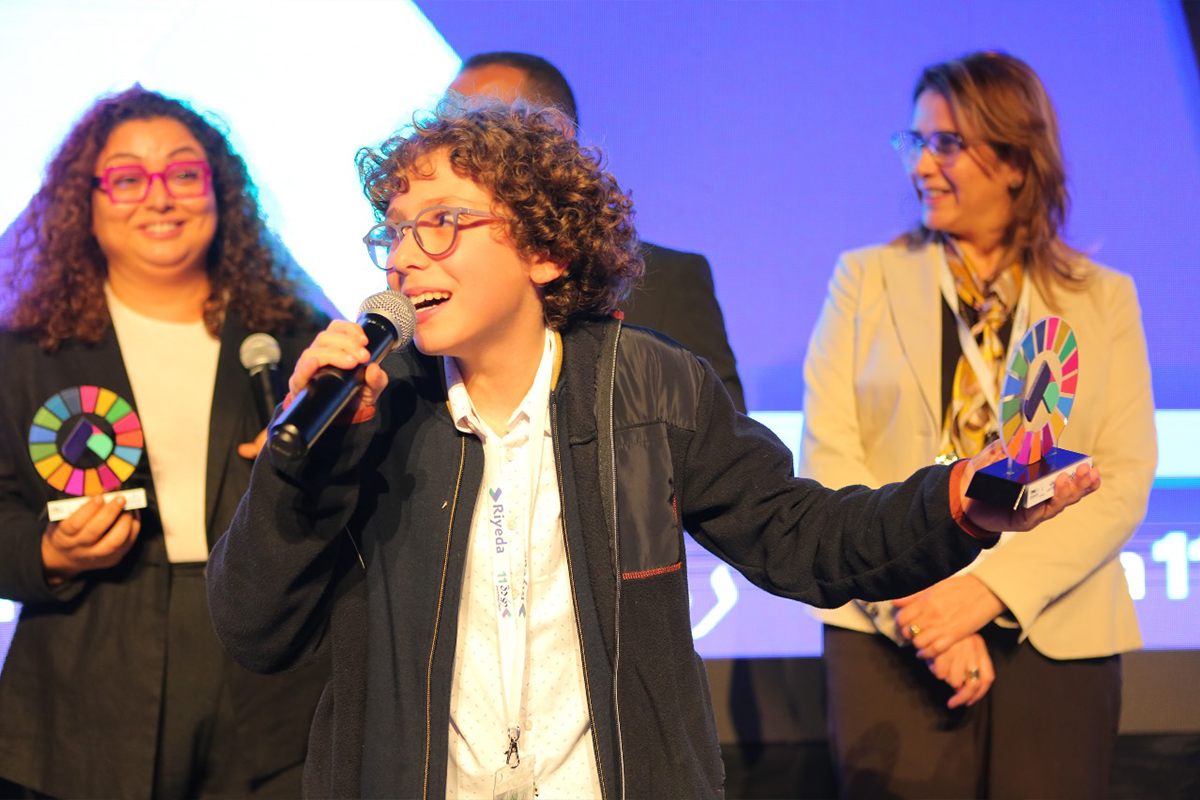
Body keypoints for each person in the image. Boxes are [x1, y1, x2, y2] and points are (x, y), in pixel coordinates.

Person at [205, 95, 1098, 799]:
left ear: (546, 251)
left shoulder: (652, 386)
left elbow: (804, 539)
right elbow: (254, 629)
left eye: (441, 222)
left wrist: (954, 502)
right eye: (394, 230)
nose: (404, 257)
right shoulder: (371, 410)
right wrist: (299, 466)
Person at [799, 52, 1155, 799]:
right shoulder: (862, 279)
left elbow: (1120, 477)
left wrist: (987, 593)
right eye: (916, 142)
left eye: (947, 144)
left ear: (1017, 162)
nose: (922, 165)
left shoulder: (1103, 298)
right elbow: (831, 461)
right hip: (894, 634)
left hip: (1058, 630)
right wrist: (924, 612)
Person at [0, 87, 329, 799]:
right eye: (127, 178)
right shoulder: (23, 353)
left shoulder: (295, 341)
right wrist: (49, 554)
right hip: (87, 677)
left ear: (219, 190)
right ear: (83, 202)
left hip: (270, 681)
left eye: (183, 172)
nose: (160, 197)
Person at [449, 51, 747, 412]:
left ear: (553, 131)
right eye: (445, 122)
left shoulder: (668, 285)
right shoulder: (428, 291)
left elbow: (720, 434)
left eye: (479, 122)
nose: (450, 142)